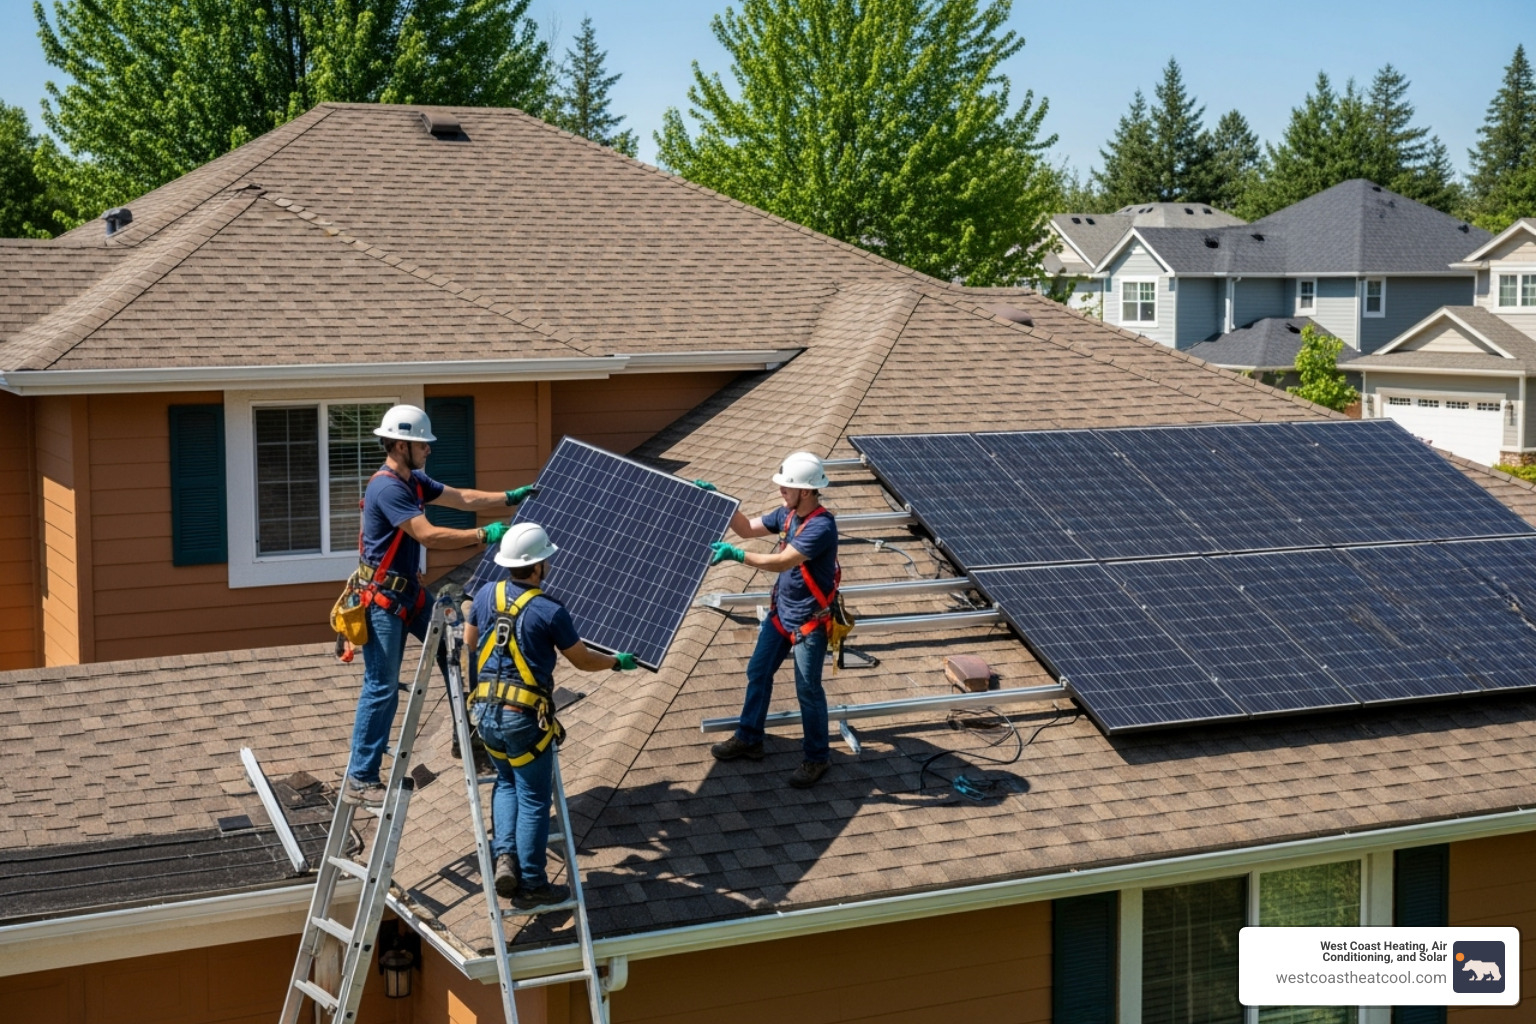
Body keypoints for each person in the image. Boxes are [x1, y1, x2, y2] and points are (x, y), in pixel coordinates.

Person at [344, 403, 540, 806]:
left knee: (458, 644)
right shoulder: (388, 488)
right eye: (421, 445)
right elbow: (428, 536)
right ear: (400, 446)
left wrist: (509, 497)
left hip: (409, 593)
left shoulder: (414, 480)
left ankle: (465, 737)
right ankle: (361, 778)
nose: (428, 450)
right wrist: (484, 536)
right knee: (382, 687)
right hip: (382, 599)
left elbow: (462, 497)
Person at [465, 522, 637, 909]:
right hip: (522, 717)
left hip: (485, 715)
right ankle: (533, 881)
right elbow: (581, 659)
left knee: (506, 783)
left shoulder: (484, 595)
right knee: (533, 797)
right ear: (538, 566)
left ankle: (505, 857)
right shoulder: (549, 610)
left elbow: (470, 645)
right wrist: (615, 663)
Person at [706, 451, 839, 789]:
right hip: (782, 614)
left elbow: (783, 562)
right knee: (758, 671)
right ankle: (750, 737)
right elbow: (747, 529)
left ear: (806, 491)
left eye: (786, 487)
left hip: (809, 622)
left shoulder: (822, 526)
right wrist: (718, 501)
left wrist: (736, 556)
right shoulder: (787, 514)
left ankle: (817, 758)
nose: (781, 492)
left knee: (808, 691)